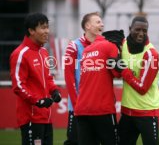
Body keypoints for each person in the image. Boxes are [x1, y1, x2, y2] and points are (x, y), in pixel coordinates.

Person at [10, 12, 62, 145]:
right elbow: (18, 86)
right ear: (31, 31)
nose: (47, 31)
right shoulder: (20, 54)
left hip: (46, 117)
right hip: (31, 118)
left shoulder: (43, 52)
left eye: (47, 27)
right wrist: (37, 101)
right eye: (43, 28)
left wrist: (54, 91)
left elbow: (48, 78)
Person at [114, 16, 159, 145]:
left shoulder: (151, 54)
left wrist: (122, 69)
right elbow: (117, 74)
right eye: (137, 30)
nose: (141, 34)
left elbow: (142, 88)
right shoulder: (122, 45)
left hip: (146, 112)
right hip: (127, 111)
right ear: (130, 29)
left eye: (144, 31)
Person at [74, 28, 124, 144]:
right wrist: (120, 55)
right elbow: (118, 73)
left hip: (82, 109)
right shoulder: (110, 46)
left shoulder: (87, 49)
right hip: (102, 109)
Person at [63, 12, 103, 145]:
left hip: (97, 109)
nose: (102, 24)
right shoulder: (73, 46)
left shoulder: (104, 46)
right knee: (74, 142)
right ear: (87, 26)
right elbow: (69, 79)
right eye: (98, 22)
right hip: (78, 108)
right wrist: (76, 105)